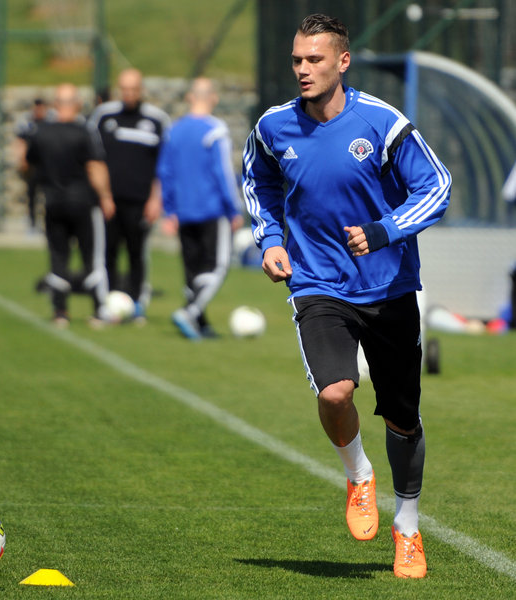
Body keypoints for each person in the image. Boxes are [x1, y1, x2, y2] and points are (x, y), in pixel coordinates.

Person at [242, 14, 451, 578]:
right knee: (336, 393)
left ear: (343, 61)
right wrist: (270, 239)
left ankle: (407, 526)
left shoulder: (382, 123)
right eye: (296, 59)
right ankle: (359, 476)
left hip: (389, 287)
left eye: (314, 59)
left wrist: (385, 230)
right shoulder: (273, 126)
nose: (302, 69)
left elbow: (437, 186)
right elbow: (258, 181)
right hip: (316, 283)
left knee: (403, 418)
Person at [156, 78, 243, 339]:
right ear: (213, 98)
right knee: (218, 266)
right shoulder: (215, 129)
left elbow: (165, 172)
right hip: (212, 210)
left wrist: (169, 210)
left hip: (184, 211)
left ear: (189, 98)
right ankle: (190, 312)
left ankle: (200, 324)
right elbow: (223, 172)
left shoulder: (174, 130)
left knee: (193, 271)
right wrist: (234, 208)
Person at [27, 83, 115, 328]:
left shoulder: (41, 132)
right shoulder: (84, 131)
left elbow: (27, 163)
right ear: (77, 104)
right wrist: (106, 196)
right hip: (83, 203)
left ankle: (60, 312)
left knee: (58, 256)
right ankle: (99, 311)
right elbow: (95, 166)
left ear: (55, 105)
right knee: (92, 257)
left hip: (53, 203)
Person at [88, 68, 171, 323]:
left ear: (141, 90)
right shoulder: (103, 116)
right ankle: (106, 306)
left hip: (141, 202)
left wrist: (156, 199)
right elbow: (93, 159)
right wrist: (104, 196)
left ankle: (137, 307)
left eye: (134, 89)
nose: (129, 94)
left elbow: (164, 165)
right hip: (109, 201)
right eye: (124, 89)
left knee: (138, 255)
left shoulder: (157, 120)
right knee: (107, 254)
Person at [13, 98, 57, 232]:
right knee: (32, 194)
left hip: (48, 165)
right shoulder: (28, 123)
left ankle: (50, 223)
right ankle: (32, 223)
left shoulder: (51, 122)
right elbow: (20, 141)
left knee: (50, 195)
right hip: (33, 165)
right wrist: (22, 160)